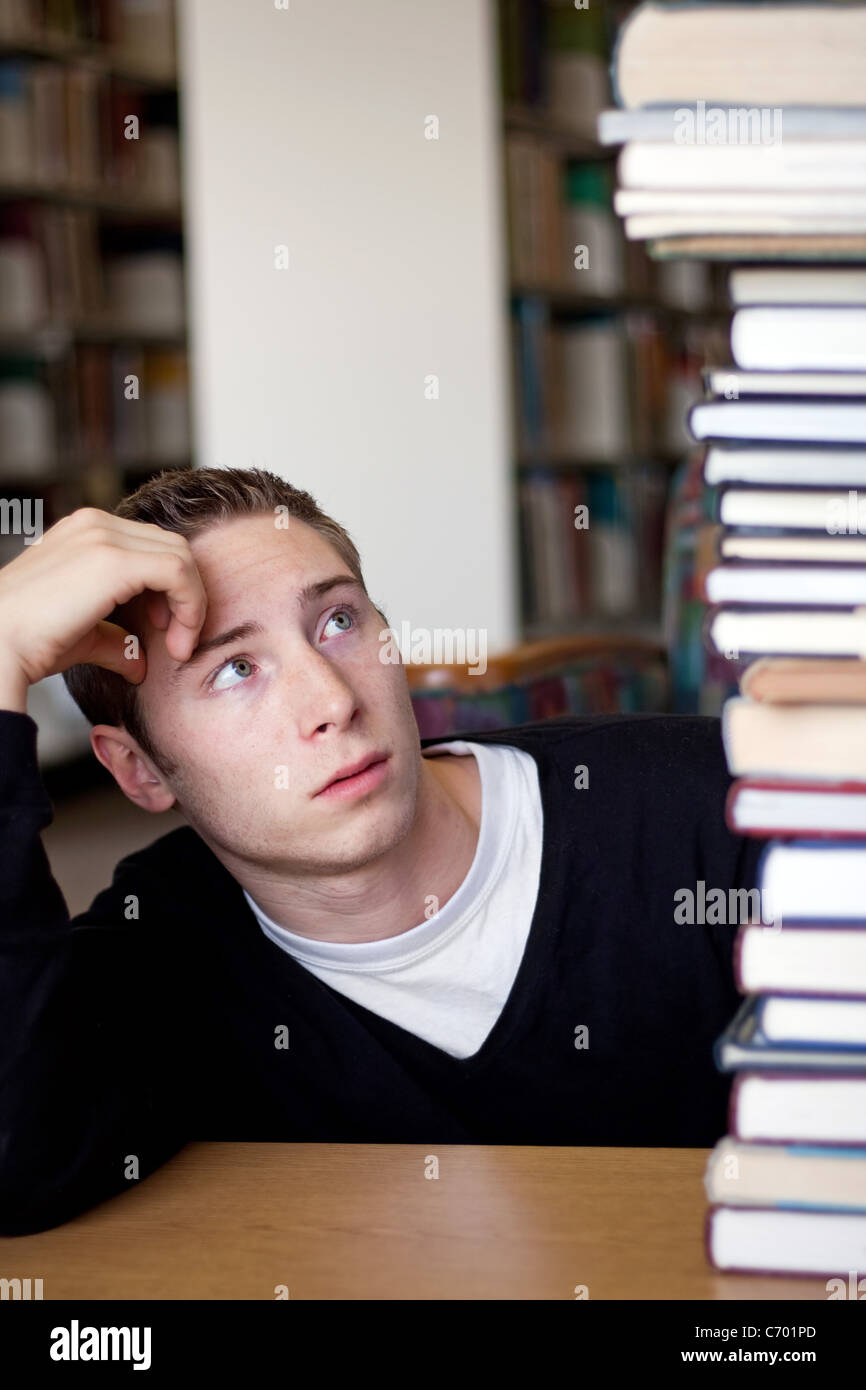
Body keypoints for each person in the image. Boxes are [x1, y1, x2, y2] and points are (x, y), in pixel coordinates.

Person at [0, 467, 764, 1235]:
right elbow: (17, 1165)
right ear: (137, 769)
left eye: (337, 621)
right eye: (236, 669)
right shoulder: (165, 949)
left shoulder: (720, 804)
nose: (333, 701)